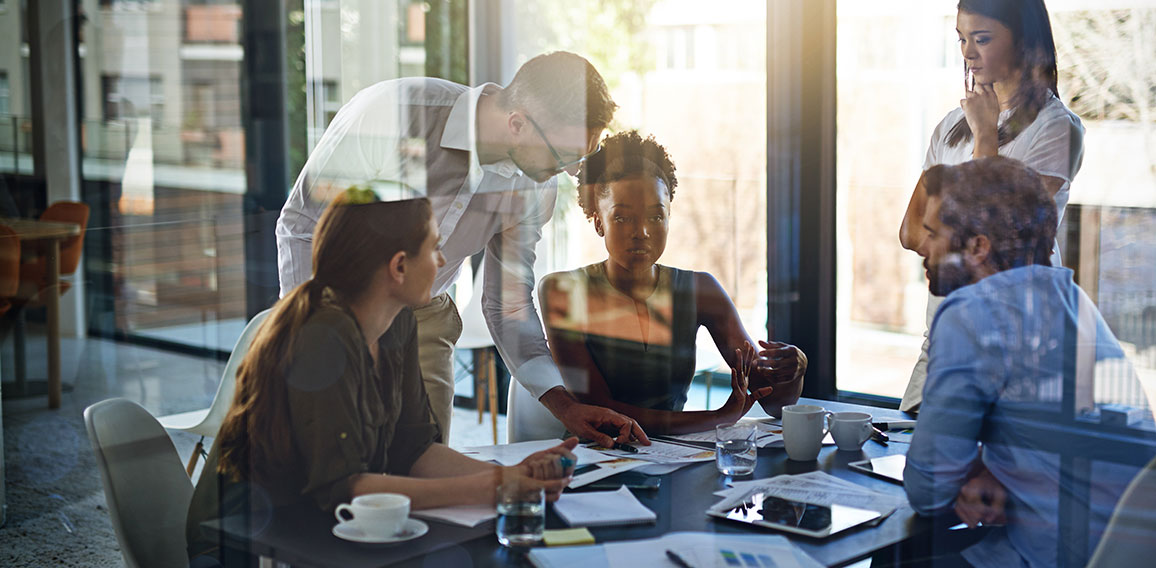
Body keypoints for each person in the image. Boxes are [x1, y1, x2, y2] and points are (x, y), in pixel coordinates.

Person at [276, 51, 648, 446]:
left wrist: (565, 407)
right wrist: (315, 332)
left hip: (425, 319)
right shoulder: (396, 112)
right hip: (336, 307)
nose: (571, 172)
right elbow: (301, 226)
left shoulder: (534, 186)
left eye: (581, 157)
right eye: (564, 156)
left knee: (425, 464)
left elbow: (509, 304)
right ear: (518, 124)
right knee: (330, 458)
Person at [188, 191, 577, 563]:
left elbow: (414, 448)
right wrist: (494, 488)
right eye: (434, 247)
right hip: (248, 546)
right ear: (399, 266)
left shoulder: (397, 322)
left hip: (323, 535)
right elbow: (343, 490)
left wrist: (513, 475)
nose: (441, 261)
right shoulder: (324, 336)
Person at [903, 157, 1153, 567]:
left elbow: (927, 488)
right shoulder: (1070, 301)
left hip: (1060, 554)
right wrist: (989, 468)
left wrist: (962, 474)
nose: (924, 249)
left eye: (933, 234)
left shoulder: (974, 310)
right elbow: (1050, 430)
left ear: (977, 247)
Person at [538, 131, 806, 436]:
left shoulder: (700, 290)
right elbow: (603, 412)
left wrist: (794, 371)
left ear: (669, 218)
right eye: (623, 219)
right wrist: (717, 418)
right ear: (599, 221)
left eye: (655, 217)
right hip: (595, 459)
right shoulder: (562, 292)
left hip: (673, 457)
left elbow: (772, 402)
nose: (642, 232)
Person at [898, 0, 1084, 412]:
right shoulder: (950, 126)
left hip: (1012, 345)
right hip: (944, 336)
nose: (967, 52)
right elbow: (911, 234)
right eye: (962, 39)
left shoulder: (1055, 128)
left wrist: (986, 135)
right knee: (908, 459)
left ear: (1023, 43)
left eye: (981, 39)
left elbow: (994, 234)